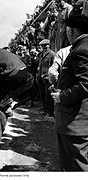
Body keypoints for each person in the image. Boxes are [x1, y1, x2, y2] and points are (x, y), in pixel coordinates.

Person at [51, 2, 88, 171]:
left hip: (75, 122)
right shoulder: (80, 47)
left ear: (71, 31)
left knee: (76, 166)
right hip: (75, 119)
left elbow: (86, 84)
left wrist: (62, 96)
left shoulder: (81, 50)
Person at [37, 39, 56, 117]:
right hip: (40, 78)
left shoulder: (52, 54)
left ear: (49, 45)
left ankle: (49, 112)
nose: (44, 47)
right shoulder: (41, 54)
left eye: (45, 45)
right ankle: (45, 109)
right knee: (43, 95)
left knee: (49, 96)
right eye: (42, 46)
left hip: (48, 78)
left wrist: (50, 76)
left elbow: (55, 66)